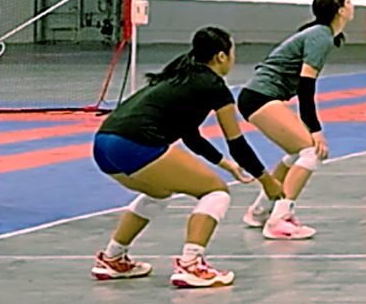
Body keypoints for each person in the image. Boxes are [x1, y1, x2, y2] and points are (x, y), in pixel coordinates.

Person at [89, 26, 266, 289]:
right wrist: (268, 181)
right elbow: (237, 142)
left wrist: (228, 166)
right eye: (232, 52)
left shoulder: (180, 77)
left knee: (159, 192)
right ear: (221, 56)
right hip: (136, 142)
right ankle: (191, 264)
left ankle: (112, 257)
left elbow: (191, 137)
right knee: (216, 193)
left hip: (103, 143)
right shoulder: (214, 86)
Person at [238, 0, 352, 240]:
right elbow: (306, 86)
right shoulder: (321, 36)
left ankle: (260, 211)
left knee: (295, 153)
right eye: (349, 1)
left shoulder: (322, 35)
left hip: (258, 97)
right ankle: (279, 219)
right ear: (340, 10)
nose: (353, 5)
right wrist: (315, 129)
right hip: (260, 97)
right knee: (312, 152)